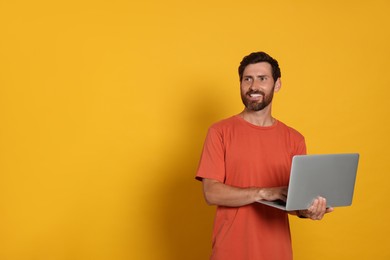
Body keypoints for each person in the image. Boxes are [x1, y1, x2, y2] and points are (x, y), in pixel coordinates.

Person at [195, 51, 333, 260]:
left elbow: (293, 201)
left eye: (262, 78)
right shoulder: (219, 132)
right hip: (230, 252)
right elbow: (211, 193)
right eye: (247, 79)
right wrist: (263, 192)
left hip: (277, 253)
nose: (253, 86)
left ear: (277, 84)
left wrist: (310, 210)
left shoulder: (294, 139)